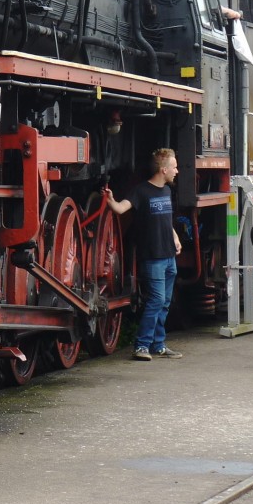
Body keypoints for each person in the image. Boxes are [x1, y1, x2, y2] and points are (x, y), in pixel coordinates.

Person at [107, 148, 184, 361]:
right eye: (174, 167)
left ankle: (158, 345)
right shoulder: (141, 191)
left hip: (169, 256)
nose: (177, 171)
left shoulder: (167, 192)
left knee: (165, 301)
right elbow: (122, 208)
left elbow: (166, 220)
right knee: (156, 300)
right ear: (163, 169)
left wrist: (175, 237)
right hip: (152, 257)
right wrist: (111, 201)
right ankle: (141, 345)